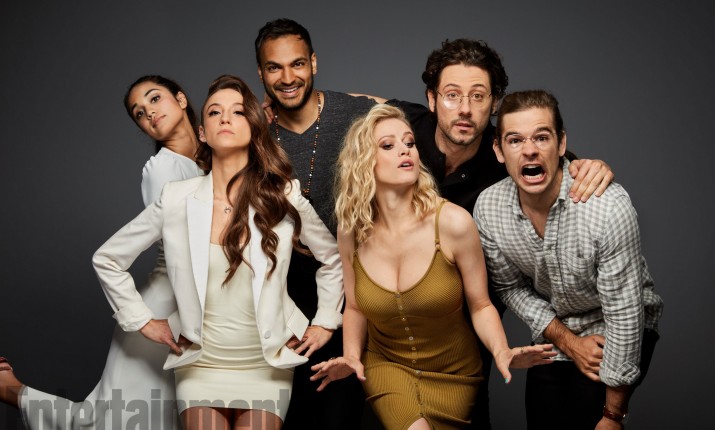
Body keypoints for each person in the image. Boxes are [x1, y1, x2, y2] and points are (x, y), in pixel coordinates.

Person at [358, 38, 614, 429]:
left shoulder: (506, 157)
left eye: (478, 96)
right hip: (390, 333)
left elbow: (558, 165)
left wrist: (588, 166)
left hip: (467, 338)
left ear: (494, 103)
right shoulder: (405, 131)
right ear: (431, 99)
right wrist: (279, 104)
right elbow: (355, 103)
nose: (464, 108)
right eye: (452, 95)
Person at [91, 74, 343, 429]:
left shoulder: (283, 195)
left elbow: (333, 258)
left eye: (238, 112)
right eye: (214, 112)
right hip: (200, 365)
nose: (225, 118)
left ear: (254, 128)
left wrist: (325, 321)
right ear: (203, 132)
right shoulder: (176, 198)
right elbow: (108, 259)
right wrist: (142, 320)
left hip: (266, 364)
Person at [310, 104, 556, 430]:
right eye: (388, 145)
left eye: (409, 142)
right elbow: (355, 307)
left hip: (455, 372)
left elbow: (481, 304)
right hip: (387, 364)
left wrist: (501, 352)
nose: (405, 150)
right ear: (364, 162)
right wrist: (352, 356)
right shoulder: (351, 231)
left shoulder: (453, 223)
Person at [0, 75, 204, 429]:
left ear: (182, 99)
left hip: (201, 304)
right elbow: (183, 245)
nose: (149, 112)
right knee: (123, 420)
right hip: (167, 305)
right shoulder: (163, 168)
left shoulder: (209, 158)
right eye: (139, 113)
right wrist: (143, 320)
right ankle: (13, 392)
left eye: (155, 99)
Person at [474, 90, 664, 429]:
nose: (529, 150)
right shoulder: (489, 209)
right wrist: (568, 341)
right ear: (499, 151)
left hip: (617, 323)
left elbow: (624, 312)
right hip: (558, 327)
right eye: (515, 140)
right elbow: (509, 287)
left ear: (561, 143)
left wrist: (613, 415)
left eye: (541, 137)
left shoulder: (607, 208)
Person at [254, 18, 375, 430]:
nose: (288, 78)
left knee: (340, 415)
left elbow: (422, 127)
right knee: (291, 416)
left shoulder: (356, 112)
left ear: (314, 63)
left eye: (298, 64)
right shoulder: (256, 132)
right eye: (274, 67)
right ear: (261, 73)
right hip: (286, 295)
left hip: (356, 286)